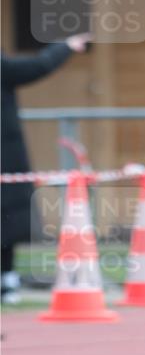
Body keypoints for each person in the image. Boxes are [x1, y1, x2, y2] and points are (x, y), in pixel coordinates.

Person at [1, 35, 91, 303]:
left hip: (6, 161)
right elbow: (38, 66)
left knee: (7, 222)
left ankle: (6, 280)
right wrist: (65, 46)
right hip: (6, 159)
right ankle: (7, 281)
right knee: (7, 220)